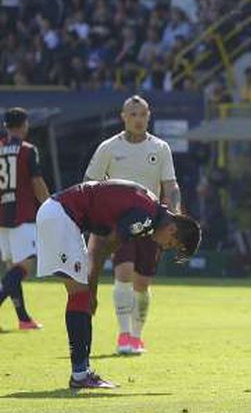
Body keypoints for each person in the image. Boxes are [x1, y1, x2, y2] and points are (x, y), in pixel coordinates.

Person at [35, 180, 200, 389]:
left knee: (81, 296)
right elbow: (102, 248)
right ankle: (80, 375)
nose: (163, 246)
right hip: (62, 216)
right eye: (170, 244)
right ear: (172, 228)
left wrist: (91, 288)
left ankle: (81, 373)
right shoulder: (146, 218)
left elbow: (105, 241)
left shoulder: (150, 210)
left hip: (61, 214)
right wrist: (93, 289)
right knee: (81, 296)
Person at [84, 95, 182, 356]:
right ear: (123, 117)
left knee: (143, 282)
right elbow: (90, 182)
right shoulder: (108, 147)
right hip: (119, 224)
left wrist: (175, 214)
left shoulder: (160, 148)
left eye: (142, 114)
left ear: (149, 116)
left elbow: (170, 185)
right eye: (133, 114)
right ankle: (123, 334)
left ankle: (137, 336)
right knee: (123, 273)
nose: (138, 119)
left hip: (152, 224)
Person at [0, 107, 50, 330]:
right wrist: (50, 206)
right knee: (25, 266)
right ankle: (22, 318)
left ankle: (23, 318)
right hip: (22, 214)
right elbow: (36, 182)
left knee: (12, 267)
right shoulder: (28, 150)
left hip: (2, 215)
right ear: (24, 125)